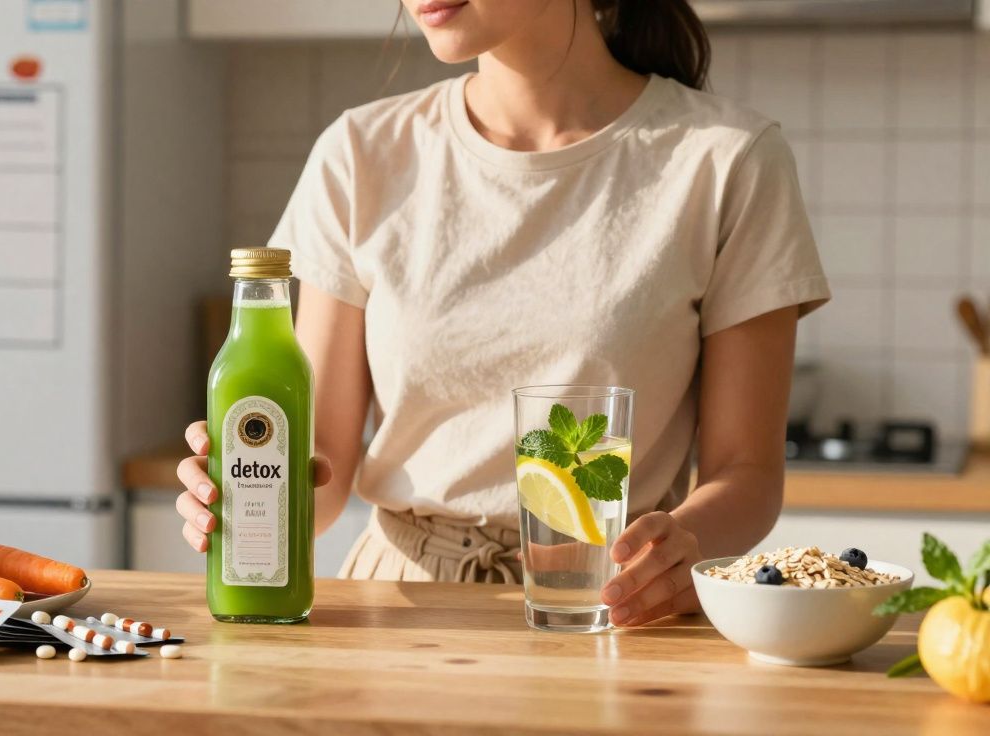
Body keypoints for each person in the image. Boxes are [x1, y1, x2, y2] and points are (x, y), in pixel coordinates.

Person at [175, 0, 829, 627]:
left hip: (610, 609)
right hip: (395, 617)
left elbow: (746, 474)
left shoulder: (728, 160)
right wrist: (247, 481)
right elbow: (319, 465)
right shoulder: (359, 155)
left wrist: (680, 543)